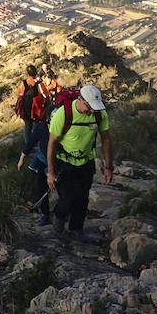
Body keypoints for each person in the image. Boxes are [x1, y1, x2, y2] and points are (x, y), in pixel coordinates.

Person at [46, 85, 114, 240]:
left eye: (94, 107)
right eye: (89, 107)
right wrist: (50, 172)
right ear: (80, 100)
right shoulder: (63, 114)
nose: (92, 111)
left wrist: (109, 167)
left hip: (86, 162)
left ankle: (76, 229)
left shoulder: (99, 114)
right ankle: (58, 222)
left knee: (82, 198)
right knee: (67, 197)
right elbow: (52, 143)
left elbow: (106, 139)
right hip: (64, 162)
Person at [17, 101, 54, 225]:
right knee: (42, 188)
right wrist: (22, 158)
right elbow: (31, 142)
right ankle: (45, 215)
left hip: (59, 160)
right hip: (44, 160)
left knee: (62, 188)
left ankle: (62, 213)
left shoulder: (63, 128)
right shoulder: (41, 127)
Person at [15, 65, 49, 142]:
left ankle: (28, 146)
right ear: (36, 73)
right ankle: (41, 143)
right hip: (37, 111)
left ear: (27, 73)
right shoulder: (39, 84)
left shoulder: (23, 84)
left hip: (26, 110)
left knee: (27, 127)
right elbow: (46, 96)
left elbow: (19, 94)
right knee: (39, 126)